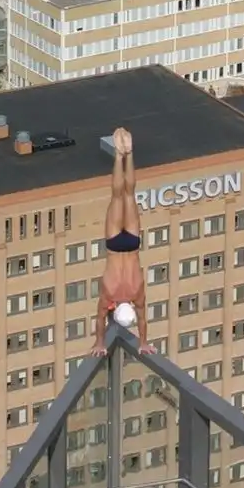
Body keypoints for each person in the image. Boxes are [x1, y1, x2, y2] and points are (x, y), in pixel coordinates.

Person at [91, 127, 156, 356]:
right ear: (116, 308)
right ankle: (120, 156)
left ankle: (129, 153)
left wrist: (144, 341)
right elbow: (100, 319)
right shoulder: (109, 294)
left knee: (128, 193)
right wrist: (99, 342)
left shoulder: (137, 293)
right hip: (114, 245)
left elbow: (142, 319)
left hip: (132, 243)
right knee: (118, 195)